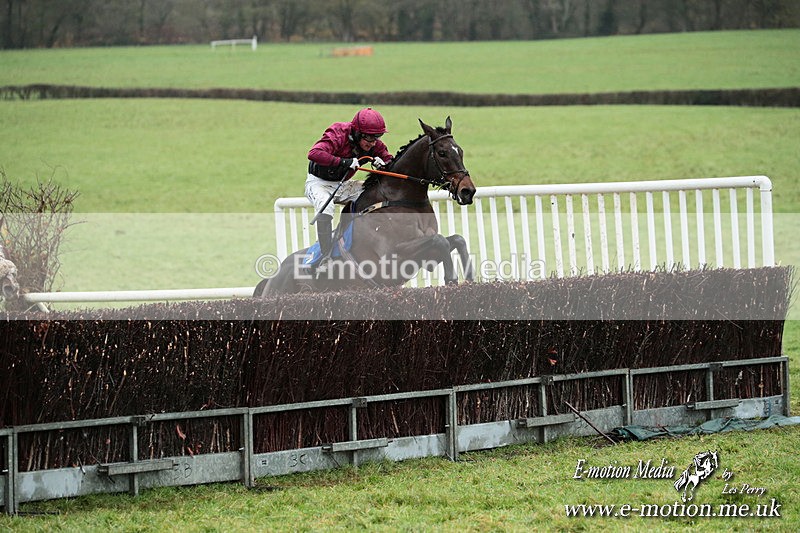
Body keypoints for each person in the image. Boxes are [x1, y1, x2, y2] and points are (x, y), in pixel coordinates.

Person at [305, 107, 393, 262]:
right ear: (358, 133)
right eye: (369, 138)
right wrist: (344, 162)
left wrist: (384, 165)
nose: (373, 143)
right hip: (319, 183)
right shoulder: (338, 133)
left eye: (377, 137)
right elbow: (314, 153)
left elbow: (389, 160)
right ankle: (326, 257)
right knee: (326, 207)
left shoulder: (375, 144)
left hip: (344, 185)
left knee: (376, 196)